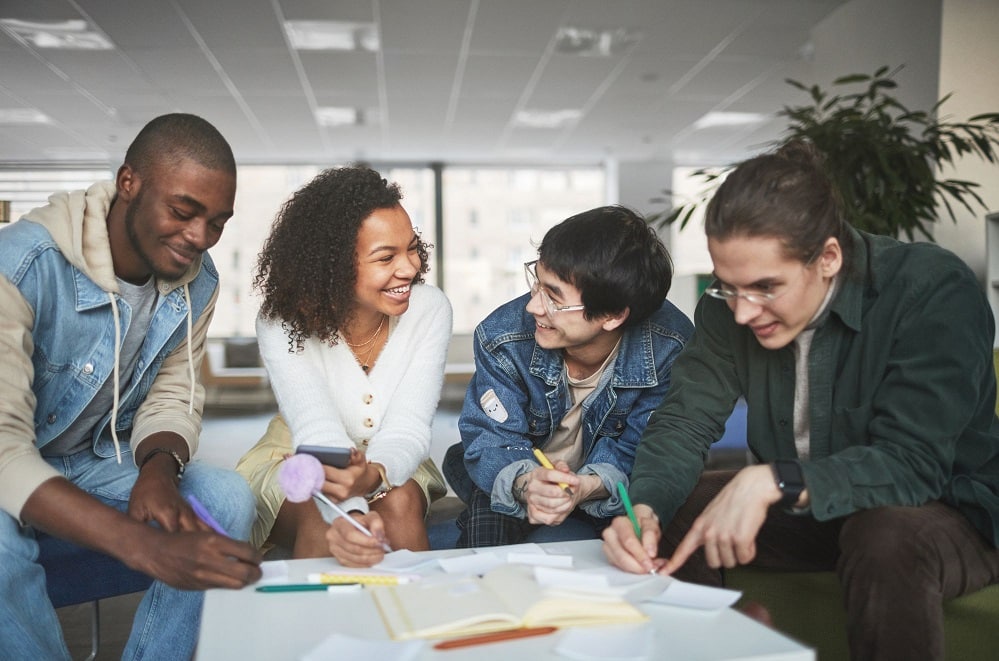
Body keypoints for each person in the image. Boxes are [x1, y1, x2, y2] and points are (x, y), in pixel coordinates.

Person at [602, 141, 999, 660]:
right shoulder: (728, 309)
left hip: (948, 509)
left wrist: (774, 479)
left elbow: (915, 464)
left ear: (829, 257)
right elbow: (683, 421)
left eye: (766, 287)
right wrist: (646, 509)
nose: (743, 312)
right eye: (728, 286)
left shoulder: (930, 289)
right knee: (682, 506)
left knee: (882, 534)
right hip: (814, 509)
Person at [0, 113, 263, 660]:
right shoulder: (24, 264)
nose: (199, 238)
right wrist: (141, 546)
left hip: (86, 460)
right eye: (183, 211)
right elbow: (4, 452)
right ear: (129, 183)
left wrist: (158, 469)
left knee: (225, 498)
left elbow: (175, 392)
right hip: (12, 458)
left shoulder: (199, 280)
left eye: (217, 222)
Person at [235, 166, 451, 567]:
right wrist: (350, 511)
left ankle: (421, 623)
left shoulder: (429, 309)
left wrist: (376, 475)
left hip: (395, 453)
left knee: (400, 502)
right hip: (300, 455)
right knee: (324, 520)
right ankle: (322, 629)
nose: (410, 268)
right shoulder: (281, 321)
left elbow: (408, 426)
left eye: (412, 247)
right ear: (333, 265)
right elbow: (317, 428)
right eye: (385, 257)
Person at [443, 205, 693, 548]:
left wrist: (585, 488)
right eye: (537, 284)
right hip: (521, 462)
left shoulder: (669, 345)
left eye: (554, 299)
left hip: (605, 478)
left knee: (634, 528)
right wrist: (529, 483)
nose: (533, 307)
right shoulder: (503, 335)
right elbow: (492, 440)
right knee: (483, 501)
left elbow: (644, 451)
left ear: (612, 315)